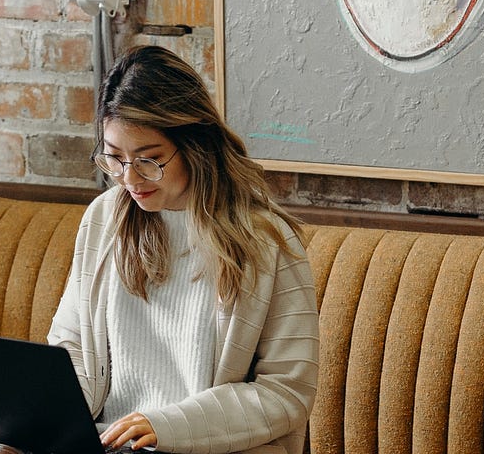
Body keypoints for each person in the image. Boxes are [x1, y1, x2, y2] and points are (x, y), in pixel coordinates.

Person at [44, 45, 320, 454]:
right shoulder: (103, 220)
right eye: (114, 158)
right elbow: (73, 350)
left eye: (149, 159)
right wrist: (40, 423)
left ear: (194, 143)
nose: (129, 179)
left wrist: (165, 426)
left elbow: (287, 392)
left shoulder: (265, 240)